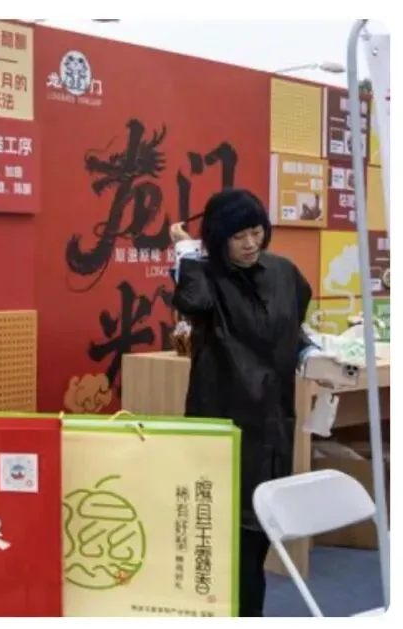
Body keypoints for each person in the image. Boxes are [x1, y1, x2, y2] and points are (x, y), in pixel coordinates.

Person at [170, 188, 320, 617]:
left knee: (260, 527)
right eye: (239, 237)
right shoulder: (205, 276)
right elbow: (192, 302)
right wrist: (186, 251)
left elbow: (291, 325)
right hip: (222, 417)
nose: (251, 244)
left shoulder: (284, 272)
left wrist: (310, 351)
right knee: (220, 529)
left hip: (272, 418)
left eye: (257, 232)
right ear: (218, 239)